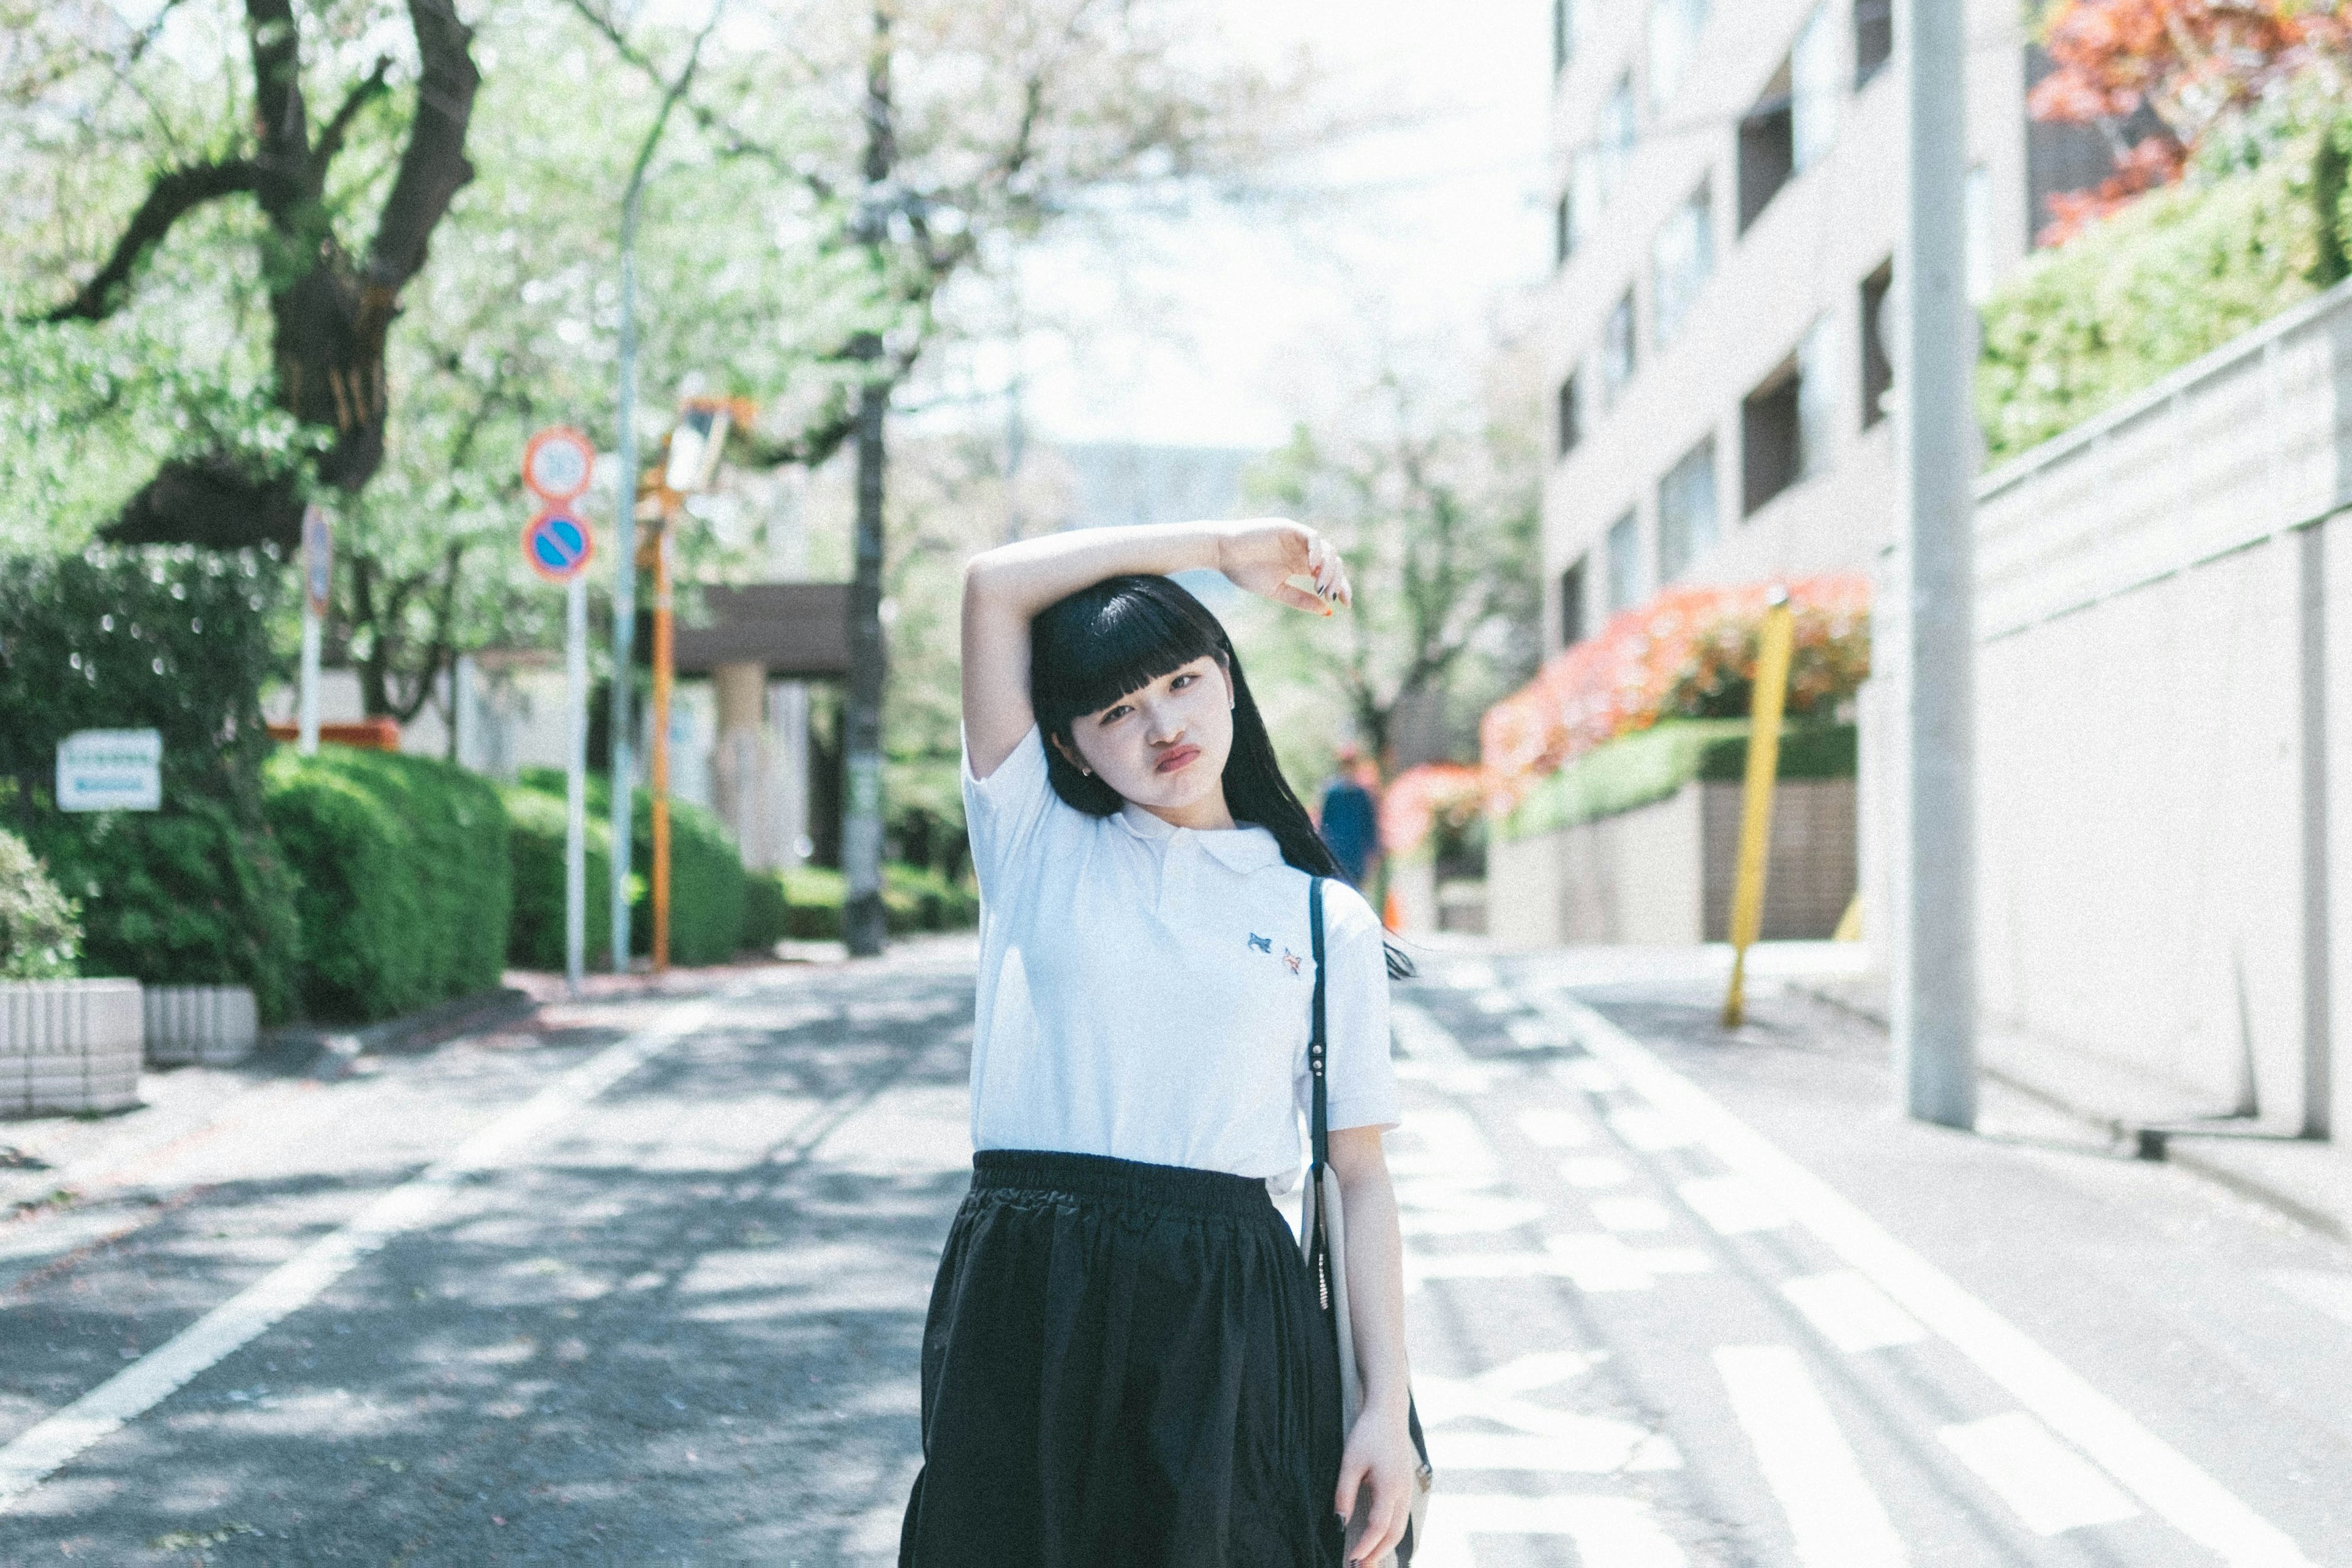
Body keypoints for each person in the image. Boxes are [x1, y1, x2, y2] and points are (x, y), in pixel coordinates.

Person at [900, 518, 1420, 1568]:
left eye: (1182, 682)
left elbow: (1357, 1178)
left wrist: (1385, 1411)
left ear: (1227, 679)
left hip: (1223, 1308)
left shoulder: (1324, 919)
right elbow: (993, 585)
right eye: (1117, 710)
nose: (1162, 726)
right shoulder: (1037, 840)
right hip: (1026, 1285)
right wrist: (1220, 548)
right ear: (1065, 744)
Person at [1317, 748, 1381, 891]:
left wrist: (1372, 852)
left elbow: (1369, 825)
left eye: (1351, 765)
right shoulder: (1333, 794)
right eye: (1346, 765)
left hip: (1356, 854)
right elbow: (1325, 824)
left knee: (1357, 890)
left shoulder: (1362, 795)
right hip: (1337, 852)